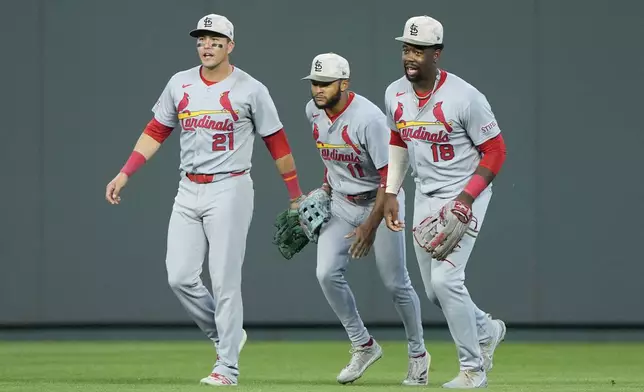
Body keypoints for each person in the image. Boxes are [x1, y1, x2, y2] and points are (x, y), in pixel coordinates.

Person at [104, 13, 304, 387]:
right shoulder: (180, 84)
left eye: (215, 40)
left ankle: (227, 367)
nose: (207, 45)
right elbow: (156, 130)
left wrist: (295, 194)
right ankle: (227, 336)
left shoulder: (250, 88)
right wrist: (125, 172)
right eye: (201, 40)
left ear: (230, 45)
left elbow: (277, 142)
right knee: (179, 276)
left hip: (230, 187)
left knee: (225, 280)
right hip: (188, 187)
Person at [382, 15, 508, 389]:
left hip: (465, 192)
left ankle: (473, 369)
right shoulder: (394, 94)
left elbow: (496, 151)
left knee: (448, 281)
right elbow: (399, 140)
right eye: (406, 48)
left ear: (436, 54)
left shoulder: (465, 97)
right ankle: (486, 329)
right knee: (435, 291)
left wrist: (467, 199)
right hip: (425, 195)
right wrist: (391, 191)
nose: (410, 56)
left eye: (419, 49)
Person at [301, 53, 429, 385]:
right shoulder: (313, 111)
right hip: (342, 202)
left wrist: (369, 228)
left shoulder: (369, 119)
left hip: (383, 200)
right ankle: (363, 344)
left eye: (325, 83)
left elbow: (391, 178)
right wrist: (326, 188)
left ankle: (418, 355)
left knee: (396, 284)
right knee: (326, 272)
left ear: (344, 83)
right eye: (315, 82)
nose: (318, 89)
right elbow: (333, 159)